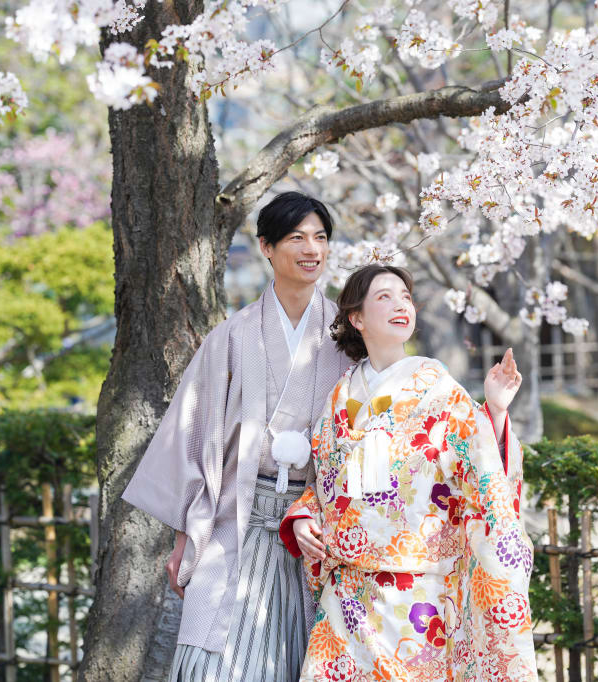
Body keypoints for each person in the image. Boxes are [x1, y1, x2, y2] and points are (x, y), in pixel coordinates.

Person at [121, 192, 521, 682]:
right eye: (296, 238)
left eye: (321, 238)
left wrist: (494, 413)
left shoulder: (348, 346)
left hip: (332, 546)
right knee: (215, 661)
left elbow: (406, 454)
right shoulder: (233, 336)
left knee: (300, 660)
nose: (311, 249)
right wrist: (186, 533)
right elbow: (195, 434)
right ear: (266, 248)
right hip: (240, 515)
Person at [279, 264, 537, 681]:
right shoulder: (336, 399)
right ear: (356, 318)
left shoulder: (439, 391)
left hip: (420, 598)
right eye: (384, 296)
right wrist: (306, 516)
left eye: (405, 297)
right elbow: (328, 484)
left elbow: (484, 474)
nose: (401, 305)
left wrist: (494, 411)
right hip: (347, 595)